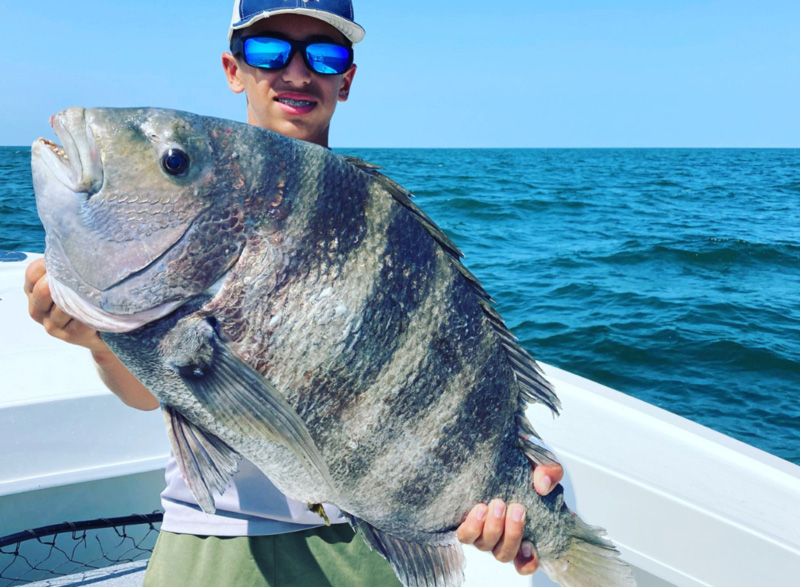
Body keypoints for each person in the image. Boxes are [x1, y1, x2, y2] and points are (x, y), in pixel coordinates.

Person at [24, 0, 564, 584]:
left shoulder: (376, 221)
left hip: (364, 544)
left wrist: (511, 503)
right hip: (218, 537)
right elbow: (157, 393)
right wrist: (99, 342)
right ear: (234, 69)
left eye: (326, 53)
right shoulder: (190, 245)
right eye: (269, 49)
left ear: (347, 80)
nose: (299, 72)